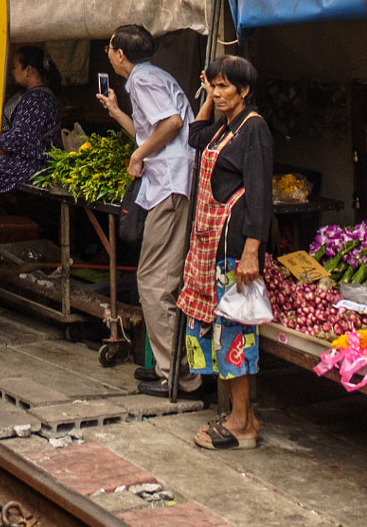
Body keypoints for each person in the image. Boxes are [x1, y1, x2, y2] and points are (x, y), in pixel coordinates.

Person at [94, 24, 197, 399]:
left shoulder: (142, 80)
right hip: (167, 186)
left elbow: (170, 123)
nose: (107, 52)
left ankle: (178, 377)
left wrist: (138, 155)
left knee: (154, 282)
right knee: (156, 281)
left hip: (170, 186)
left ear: (120, 54)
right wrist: (117, 112)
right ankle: (171, 370)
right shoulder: (149, 77)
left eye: (109, 47)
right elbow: (149, 129)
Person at [180, 56, 273, 450]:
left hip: (233, 247)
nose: (217, 94)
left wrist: (251, 250)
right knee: (219, 331)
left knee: (233, 332)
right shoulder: (224, 126)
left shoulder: (254, 129)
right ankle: (242, 415)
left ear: (244, 91)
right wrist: (205, 95)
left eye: (224, 87)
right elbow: (194, 134)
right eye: (213, 86)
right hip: (209, 245)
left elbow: (260, 193)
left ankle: (242, 424)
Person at [0, 46, 61, 193]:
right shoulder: (28, 95)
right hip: (23, 158)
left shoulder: (38, 99)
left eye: (15, 67)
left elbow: (19, 137)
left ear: (28, 70)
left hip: (33, 164)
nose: (12, 71)